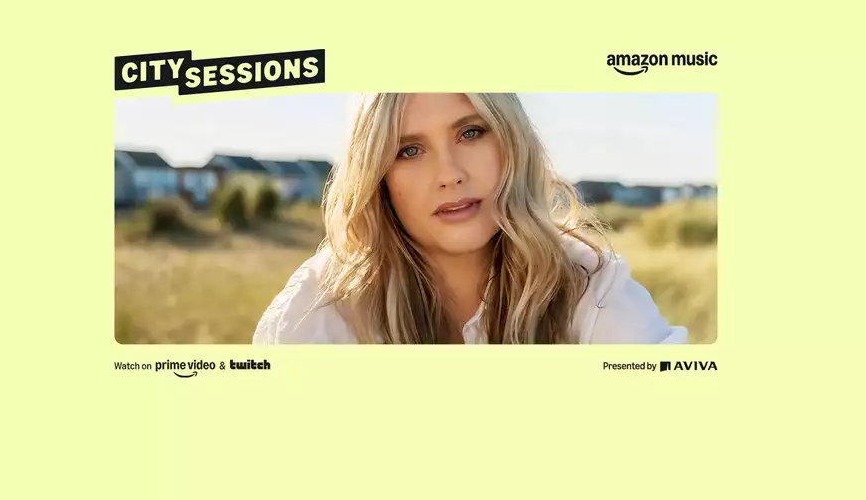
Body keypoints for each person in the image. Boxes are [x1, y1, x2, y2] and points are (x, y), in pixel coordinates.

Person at [253, 93, 688, 344]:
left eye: (471, 133)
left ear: (511, 143)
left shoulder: (595, 299)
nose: (450, 175)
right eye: (409, 150)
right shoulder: (316, 314)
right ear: (378, 176)